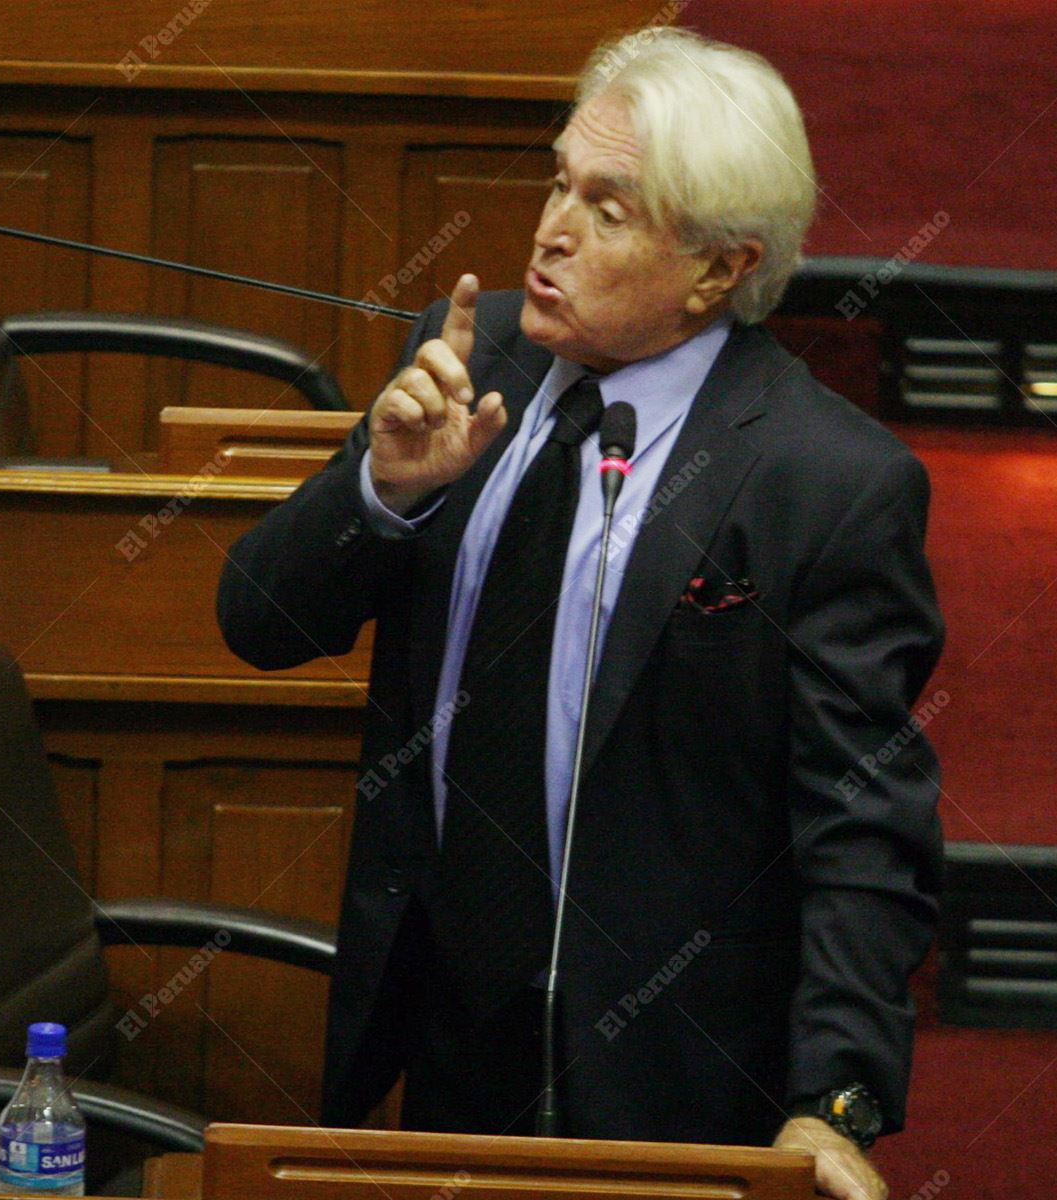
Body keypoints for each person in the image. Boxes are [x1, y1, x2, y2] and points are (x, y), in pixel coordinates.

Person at [218, 28, 943, 1200]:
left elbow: (864, 828)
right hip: (445, 1028)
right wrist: (385, 490)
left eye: (609, 210)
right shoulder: (468, 357)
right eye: (560, 181)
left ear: (719, 268)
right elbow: (256, 620)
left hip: (673, 1077)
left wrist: (833, 1104)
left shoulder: (825, 481)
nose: (551, 228)